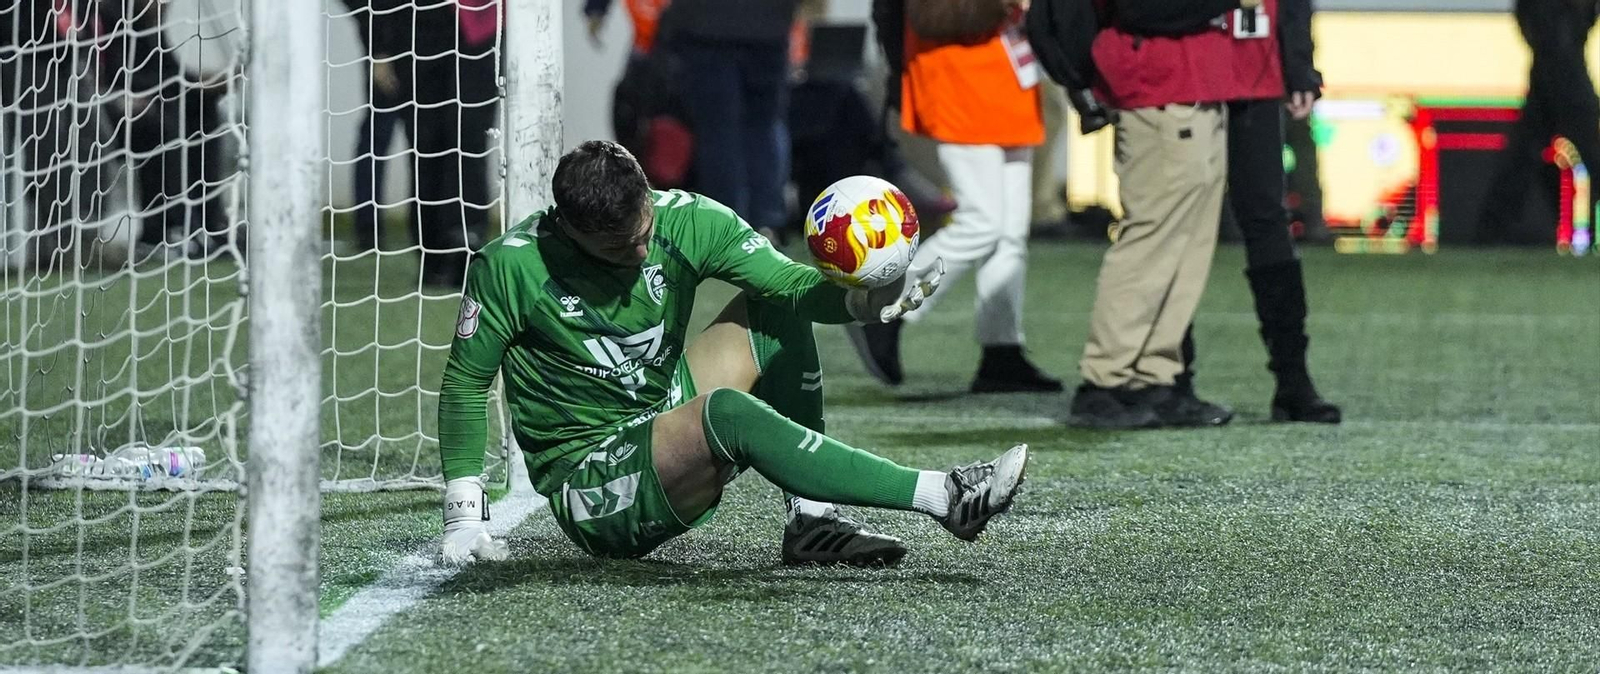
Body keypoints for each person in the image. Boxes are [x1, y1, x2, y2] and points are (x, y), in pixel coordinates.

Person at [436, 141, 1028, 565]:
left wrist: (867, 303)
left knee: (774, 311)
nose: (642, 254)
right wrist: (464, 515)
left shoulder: (688, 220)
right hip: (591, 476)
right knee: (724, 412)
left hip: (659, 408)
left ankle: (813, 520)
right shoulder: (510, 266)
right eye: (621, 249)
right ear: (570, 229)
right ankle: (944, 497)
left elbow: (791, 286)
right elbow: (465, 383)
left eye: (645, 231)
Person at [848, 0, 1064, 394]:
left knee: (1010, 232)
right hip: (959, 74)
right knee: (984, 222)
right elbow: (932, 16)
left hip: (1004, 73)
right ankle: (885, 306)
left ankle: (1002, 350)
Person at [1050, 0, 1245, 429]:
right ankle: (1103, 380)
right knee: (1151, 240)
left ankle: (1152, 376)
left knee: (1188, 246)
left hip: (1193, 86)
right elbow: (1142, 10)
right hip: (1160, 86)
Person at [1176, 0, 1341, 424]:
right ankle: (1170, 375)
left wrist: (1299, 62)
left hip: (1252, 73)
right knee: (1178, 223)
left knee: (1267, 219)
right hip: (1182, 67)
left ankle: (1293, 380)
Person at [655, 0, 796, 242]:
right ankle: (767, 221)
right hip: (769, 25)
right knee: (764, 127)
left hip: (704, 26)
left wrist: (597, 6)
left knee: (717, 134)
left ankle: (729, 228)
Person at [1481, 0, 1599, 236]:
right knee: (1525, 157)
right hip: (1564, 76)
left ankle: (1492, 231)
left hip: (1558, 73)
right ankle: (1492, 230)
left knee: (1523, 157)